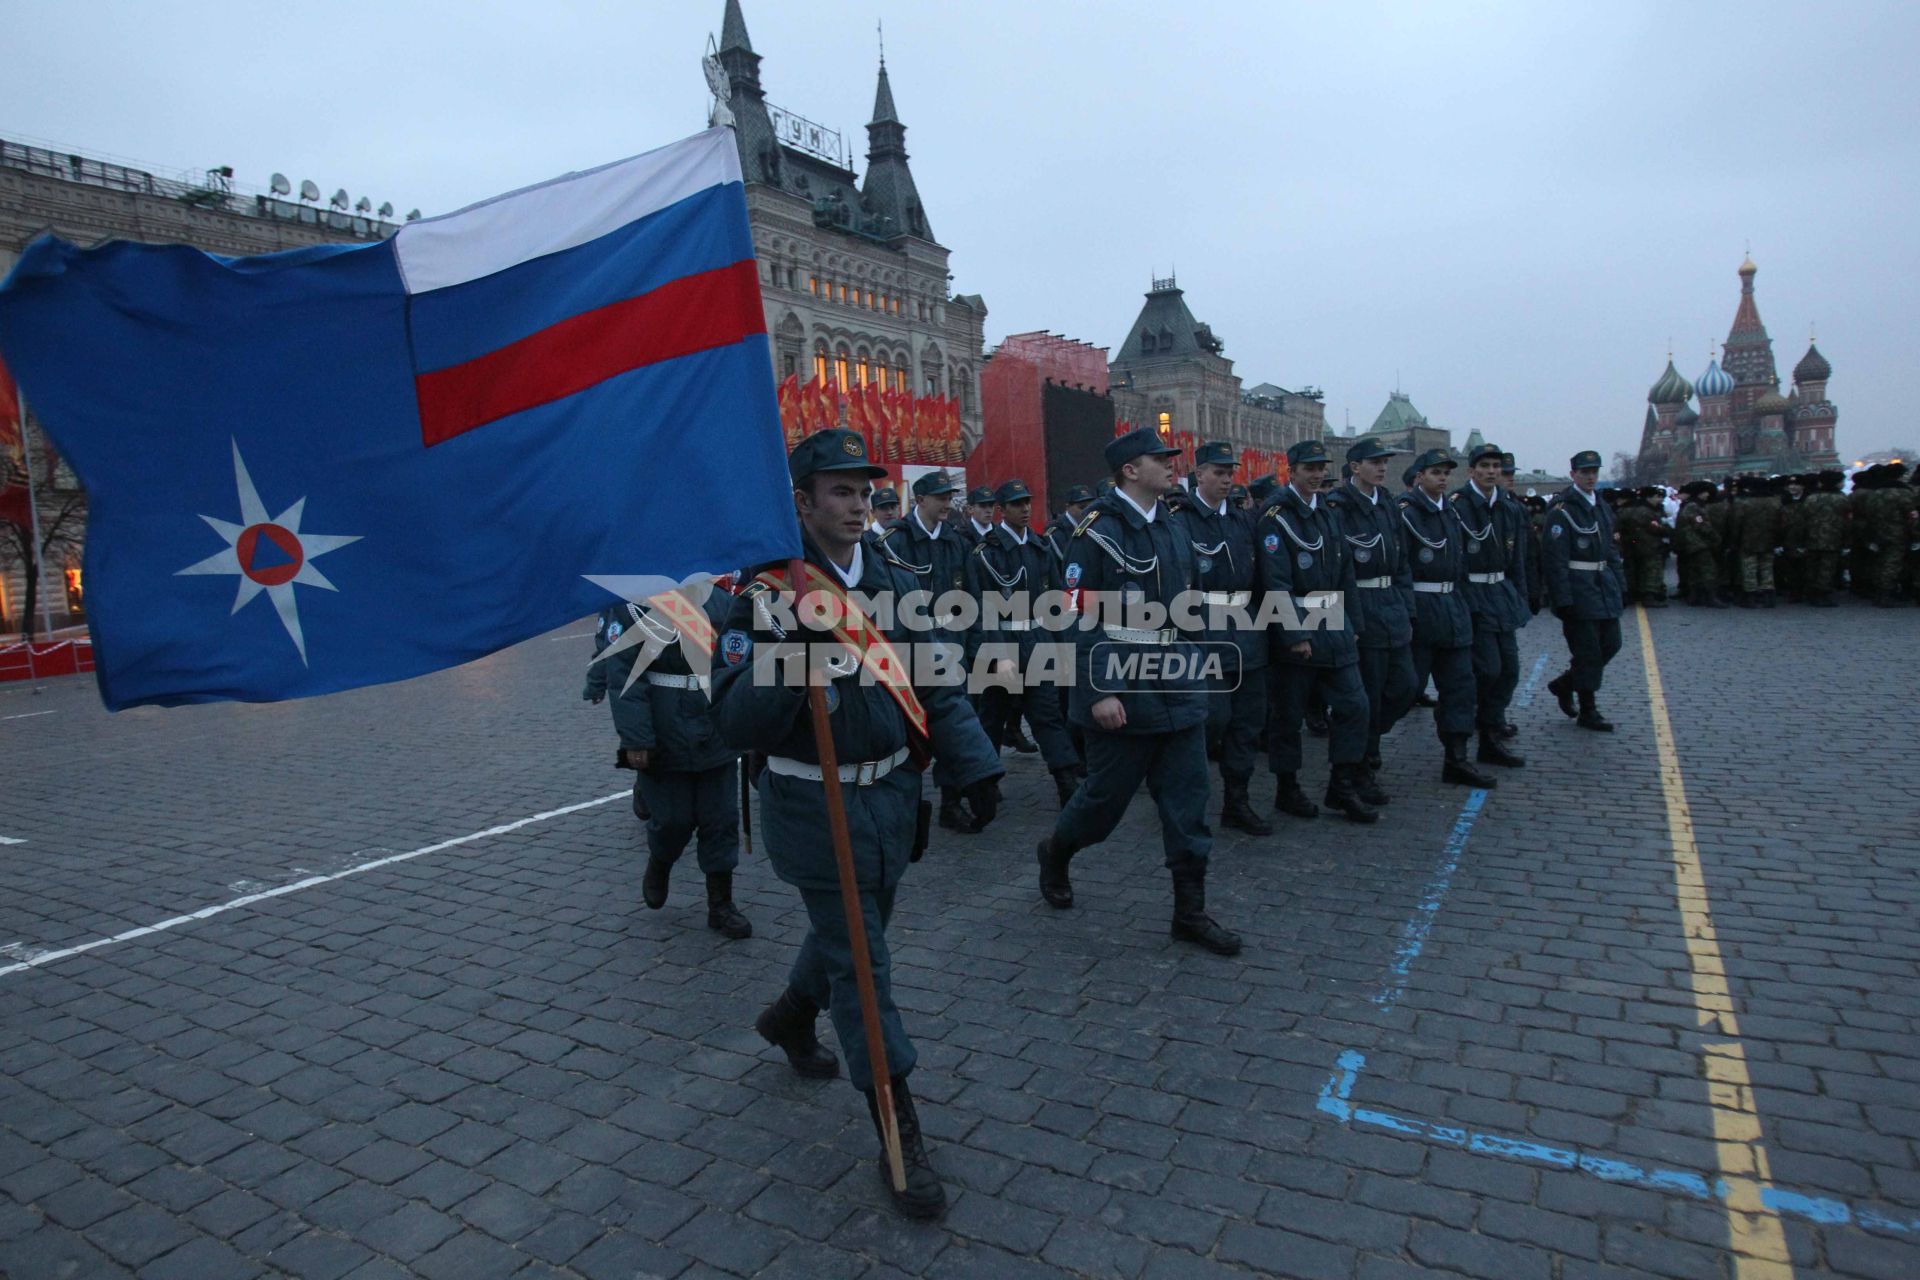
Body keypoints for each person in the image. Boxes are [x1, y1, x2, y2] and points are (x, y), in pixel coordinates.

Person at [713, 428, 1003, 1219]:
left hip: (889, 800)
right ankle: (897, 1126)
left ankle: (785, 1017)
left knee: (854, 933)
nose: (857, 504)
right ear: (801, 501)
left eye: (864, 490)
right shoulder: (759, 595)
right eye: (838, 491)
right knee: (864, 970)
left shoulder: (895, 578)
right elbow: (734, 722)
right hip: (816, 807)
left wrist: (975, 765)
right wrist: (793, 652)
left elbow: (937, 680)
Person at [1037, 426, 1241, 955]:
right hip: (1122, 691)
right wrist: (1100, 690)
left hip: (1177, 683)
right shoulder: (1097, 532)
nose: (1173, 464)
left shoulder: (1172, 527)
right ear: (1130, 469)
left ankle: (1189, 913)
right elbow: (1079, 617)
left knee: (1188, 803)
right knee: (1103, 805)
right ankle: (1057, 852)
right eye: (1161, 458)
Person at [599, 587, 752, 939]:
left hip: (714, 724)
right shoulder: (635, 605)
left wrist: (750, 717)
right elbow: (625, 676)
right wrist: (636, 738)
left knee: (720, 819)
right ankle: (660, 860)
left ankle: (721, 904)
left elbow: (741, 660)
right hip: (663, 727)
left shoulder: (723, 602)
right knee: (672, 819)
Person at [1260, 439, 1377, 823]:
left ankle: (1341, 785)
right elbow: (1275, 582)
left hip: (1334, 623)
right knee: (1288, 716)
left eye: (1320, 468)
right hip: (1297, 629)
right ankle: (1287, 788)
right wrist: (1295, 634)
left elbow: (1346, 574)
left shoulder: (1328, 512)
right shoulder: (1275, 516)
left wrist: (1354, 624)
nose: (1316, 475)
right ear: (1291, 471)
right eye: (1308, 468)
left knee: (1355, 706)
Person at [872, 469, 989, 834]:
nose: (947, 503)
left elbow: (972, 597)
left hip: (952, 646)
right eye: (939, 497)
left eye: (949, 496)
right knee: (904, 726)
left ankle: (951, 801)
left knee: (952, 723)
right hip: (909, 649)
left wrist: (973, 645)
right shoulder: (894, 542)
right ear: (920, 500)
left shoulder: (956, 541)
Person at [1171, 440, 1272, 834]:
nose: (1227, 479)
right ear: (1200, 475)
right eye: (1219, 472)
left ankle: (1237, 800)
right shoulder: (1180, 519)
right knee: (1212, 720)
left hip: (1247, 631)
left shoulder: (1243, 520)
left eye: (1231, 472)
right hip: (1203, 631)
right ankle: (1181, 794)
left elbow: (1262, 576)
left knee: (1248, 722)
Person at [972, 478, 1085, 804]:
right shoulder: (985, 553)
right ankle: (986, 783)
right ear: (1002, 510)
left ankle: (1066, 782)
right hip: (1002, 640)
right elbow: (981, 607)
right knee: (991, 717)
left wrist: (1062, 647)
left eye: (1027, 503)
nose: (1024, 509)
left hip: (1037, 639)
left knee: (1047, 714)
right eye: (1016, 504)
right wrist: (997, 655)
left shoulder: (1040, 547)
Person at [1399, 450, 1496, 787]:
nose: (1442, 478)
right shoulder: (1406, 513)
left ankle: (1456, 758)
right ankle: (1366, 756)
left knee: (1460, 688)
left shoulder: (1450, 513)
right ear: (1419, 476)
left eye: (1445, 473)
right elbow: (1401, 568)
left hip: (1453, 609)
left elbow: (1460, 564)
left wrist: (1466, 603)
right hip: (1422, 612)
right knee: (1404, 688)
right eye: (1435, 473)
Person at [1323, 437, 1412, 800]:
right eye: (1373, 462)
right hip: (1361, 603)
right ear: (1355, 466)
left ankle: (1367, 747)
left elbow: (1402, 558)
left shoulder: (1387, 504)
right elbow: (1337, 568)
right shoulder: (1338, 507)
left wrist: (1407, 606)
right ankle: (1361, 765)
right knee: (1368, 696)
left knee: (1406, 687)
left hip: (1391, 603)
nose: (1381, 467)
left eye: (1384, 462)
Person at [1449, 443, 1528, 768]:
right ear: (1472, 471)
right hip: (1473, 596)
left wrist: (1522, 597)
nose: (1492, 471)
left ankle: (1492, 732)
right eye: (1485, 466)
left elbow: (1517, 558)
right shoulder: (1457, 506)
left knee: (1509, 670)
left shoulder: (1508, 507)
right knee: (1487, 669)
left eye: (1497, 466)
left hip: (1501, 594)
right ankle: (1471, 734)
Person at [1542, 450, 1626, 731]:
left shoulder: (1600, 504)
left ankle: (1565, 683)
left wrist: (1621, 583)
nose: (1591, 476)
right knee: (1587, 651)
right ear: (1573, 474)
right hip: (1579, 588)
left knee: (1612, 643)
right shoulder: (1562, 510)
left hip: (1603, 585)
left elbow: (1610, 548)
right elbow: (1555, 559)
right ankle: (1588, 710)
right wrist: (1562, 598)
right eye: (1584, 472)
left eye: (1594, 471)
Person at [1672, 482, 1725, 608]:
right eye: (1705, 492)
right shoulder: (1694, 507)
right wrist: (1715, 538)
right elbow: (1700, 525)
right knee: (1708, 570)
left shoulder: (1691, 505)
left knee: (1694, 570)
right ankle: (1711, 597)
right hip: (1698, 543)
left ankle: (1694, 597)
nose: (1707, 495)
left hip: (1692, 543)